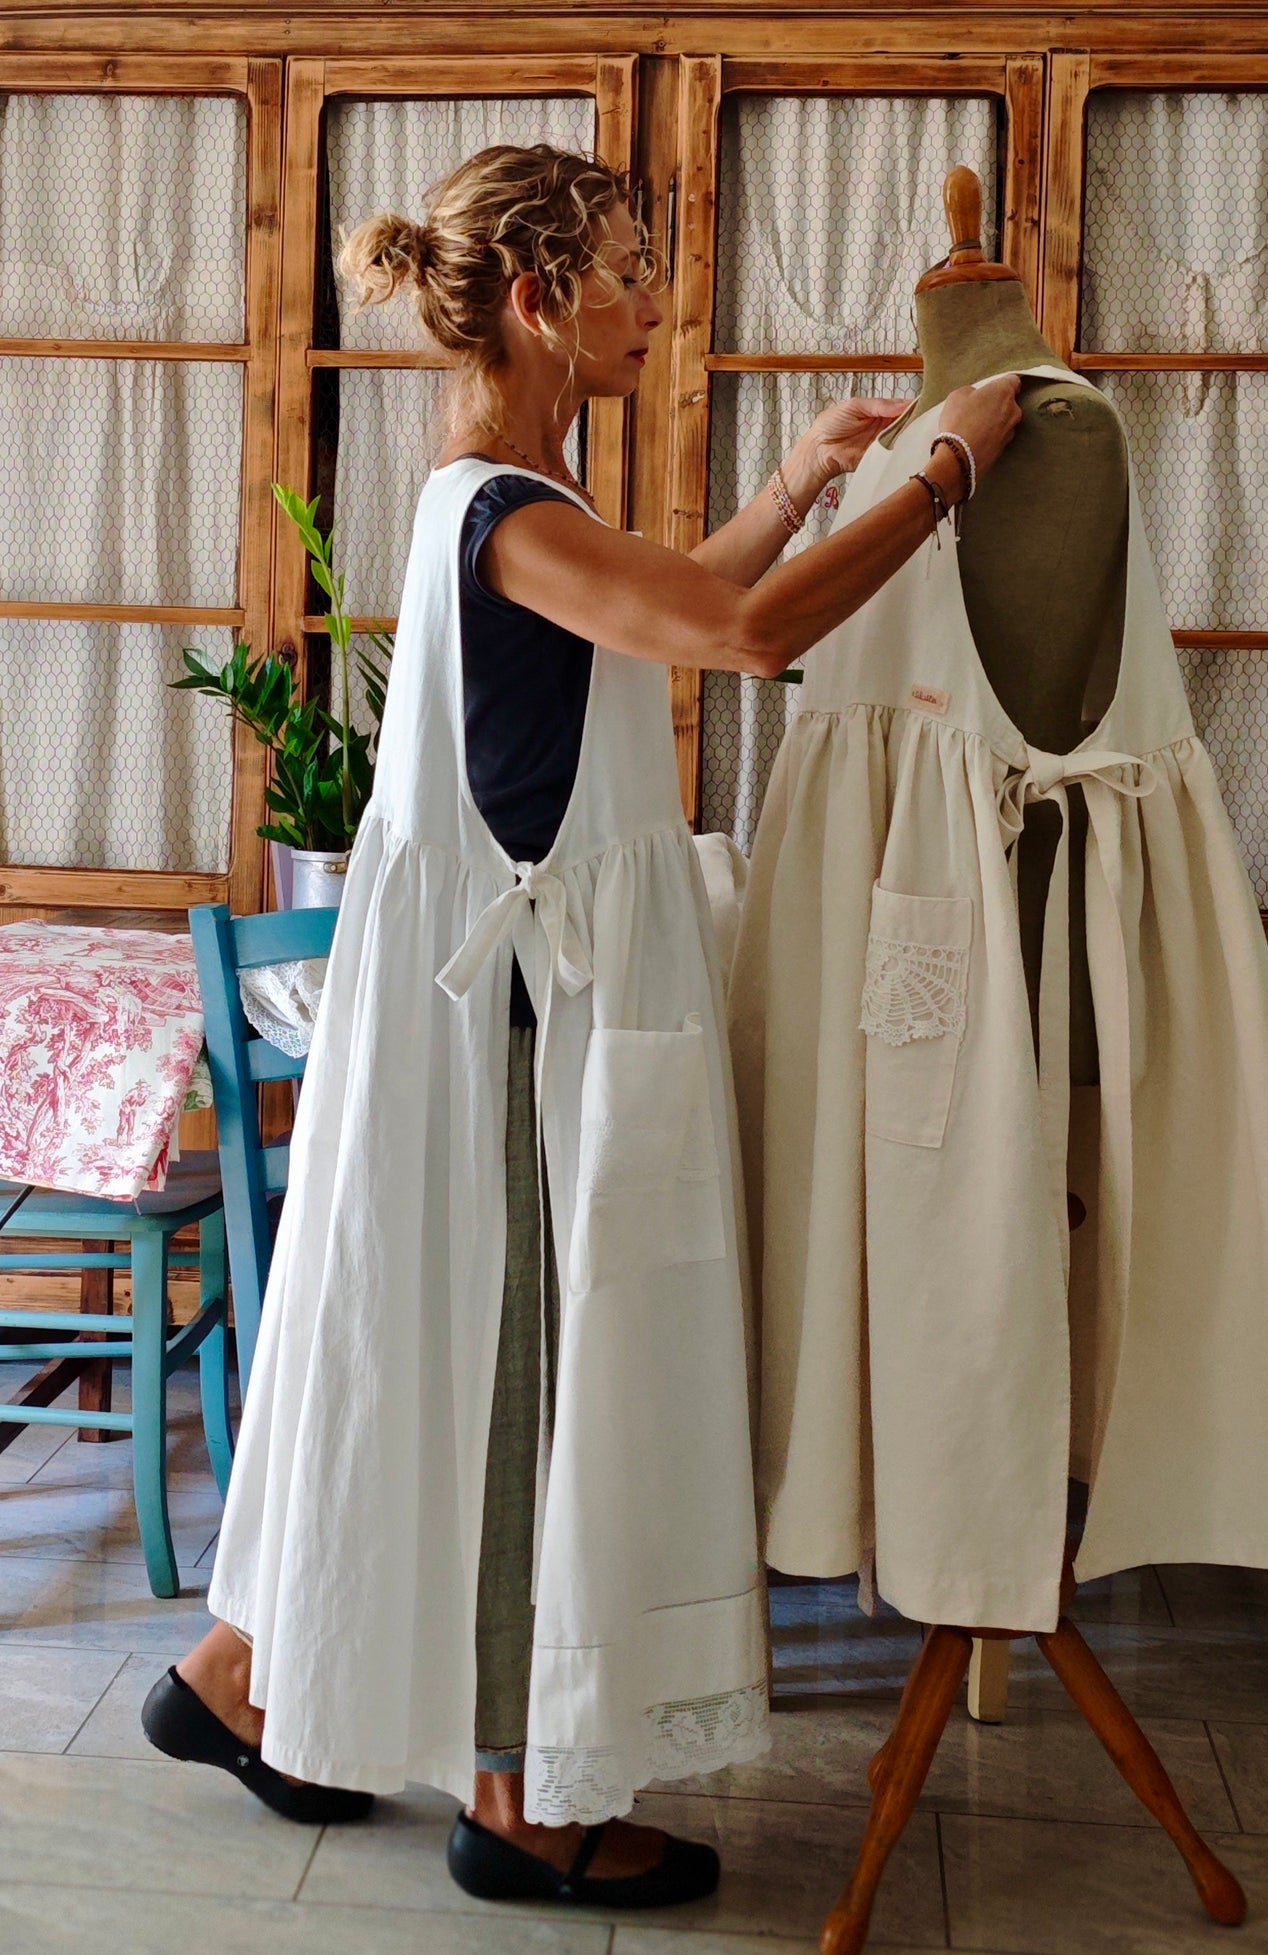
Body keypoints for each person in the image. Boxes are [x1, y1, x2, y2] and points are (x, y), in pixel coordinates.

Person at [141, 143, 1021, 1910]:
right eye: (626, 278)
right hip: (524, 1028)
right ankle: (518, 1803)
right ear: (541, 301)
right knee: (523, 1385)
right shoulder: (508, 510)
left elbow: (662, 612)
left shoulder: (504, 499)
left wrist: (789, 483)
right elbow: (739, 634)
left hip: (494, 996)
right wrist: (941, 473)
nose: (651, 309)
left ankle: (244, 1679)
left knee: (407, 1342)